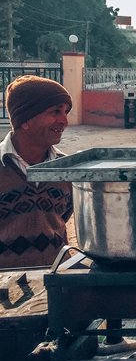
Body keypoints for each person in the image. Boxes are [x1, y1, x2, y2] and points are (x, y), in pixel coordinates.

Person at [0, 75, 74, 268]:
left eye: (65, 112)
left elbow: (61, 216)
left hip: (57, 280)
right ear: (25, 120)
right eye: (55, 112)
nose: (64, 121)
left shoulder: (66, 168)